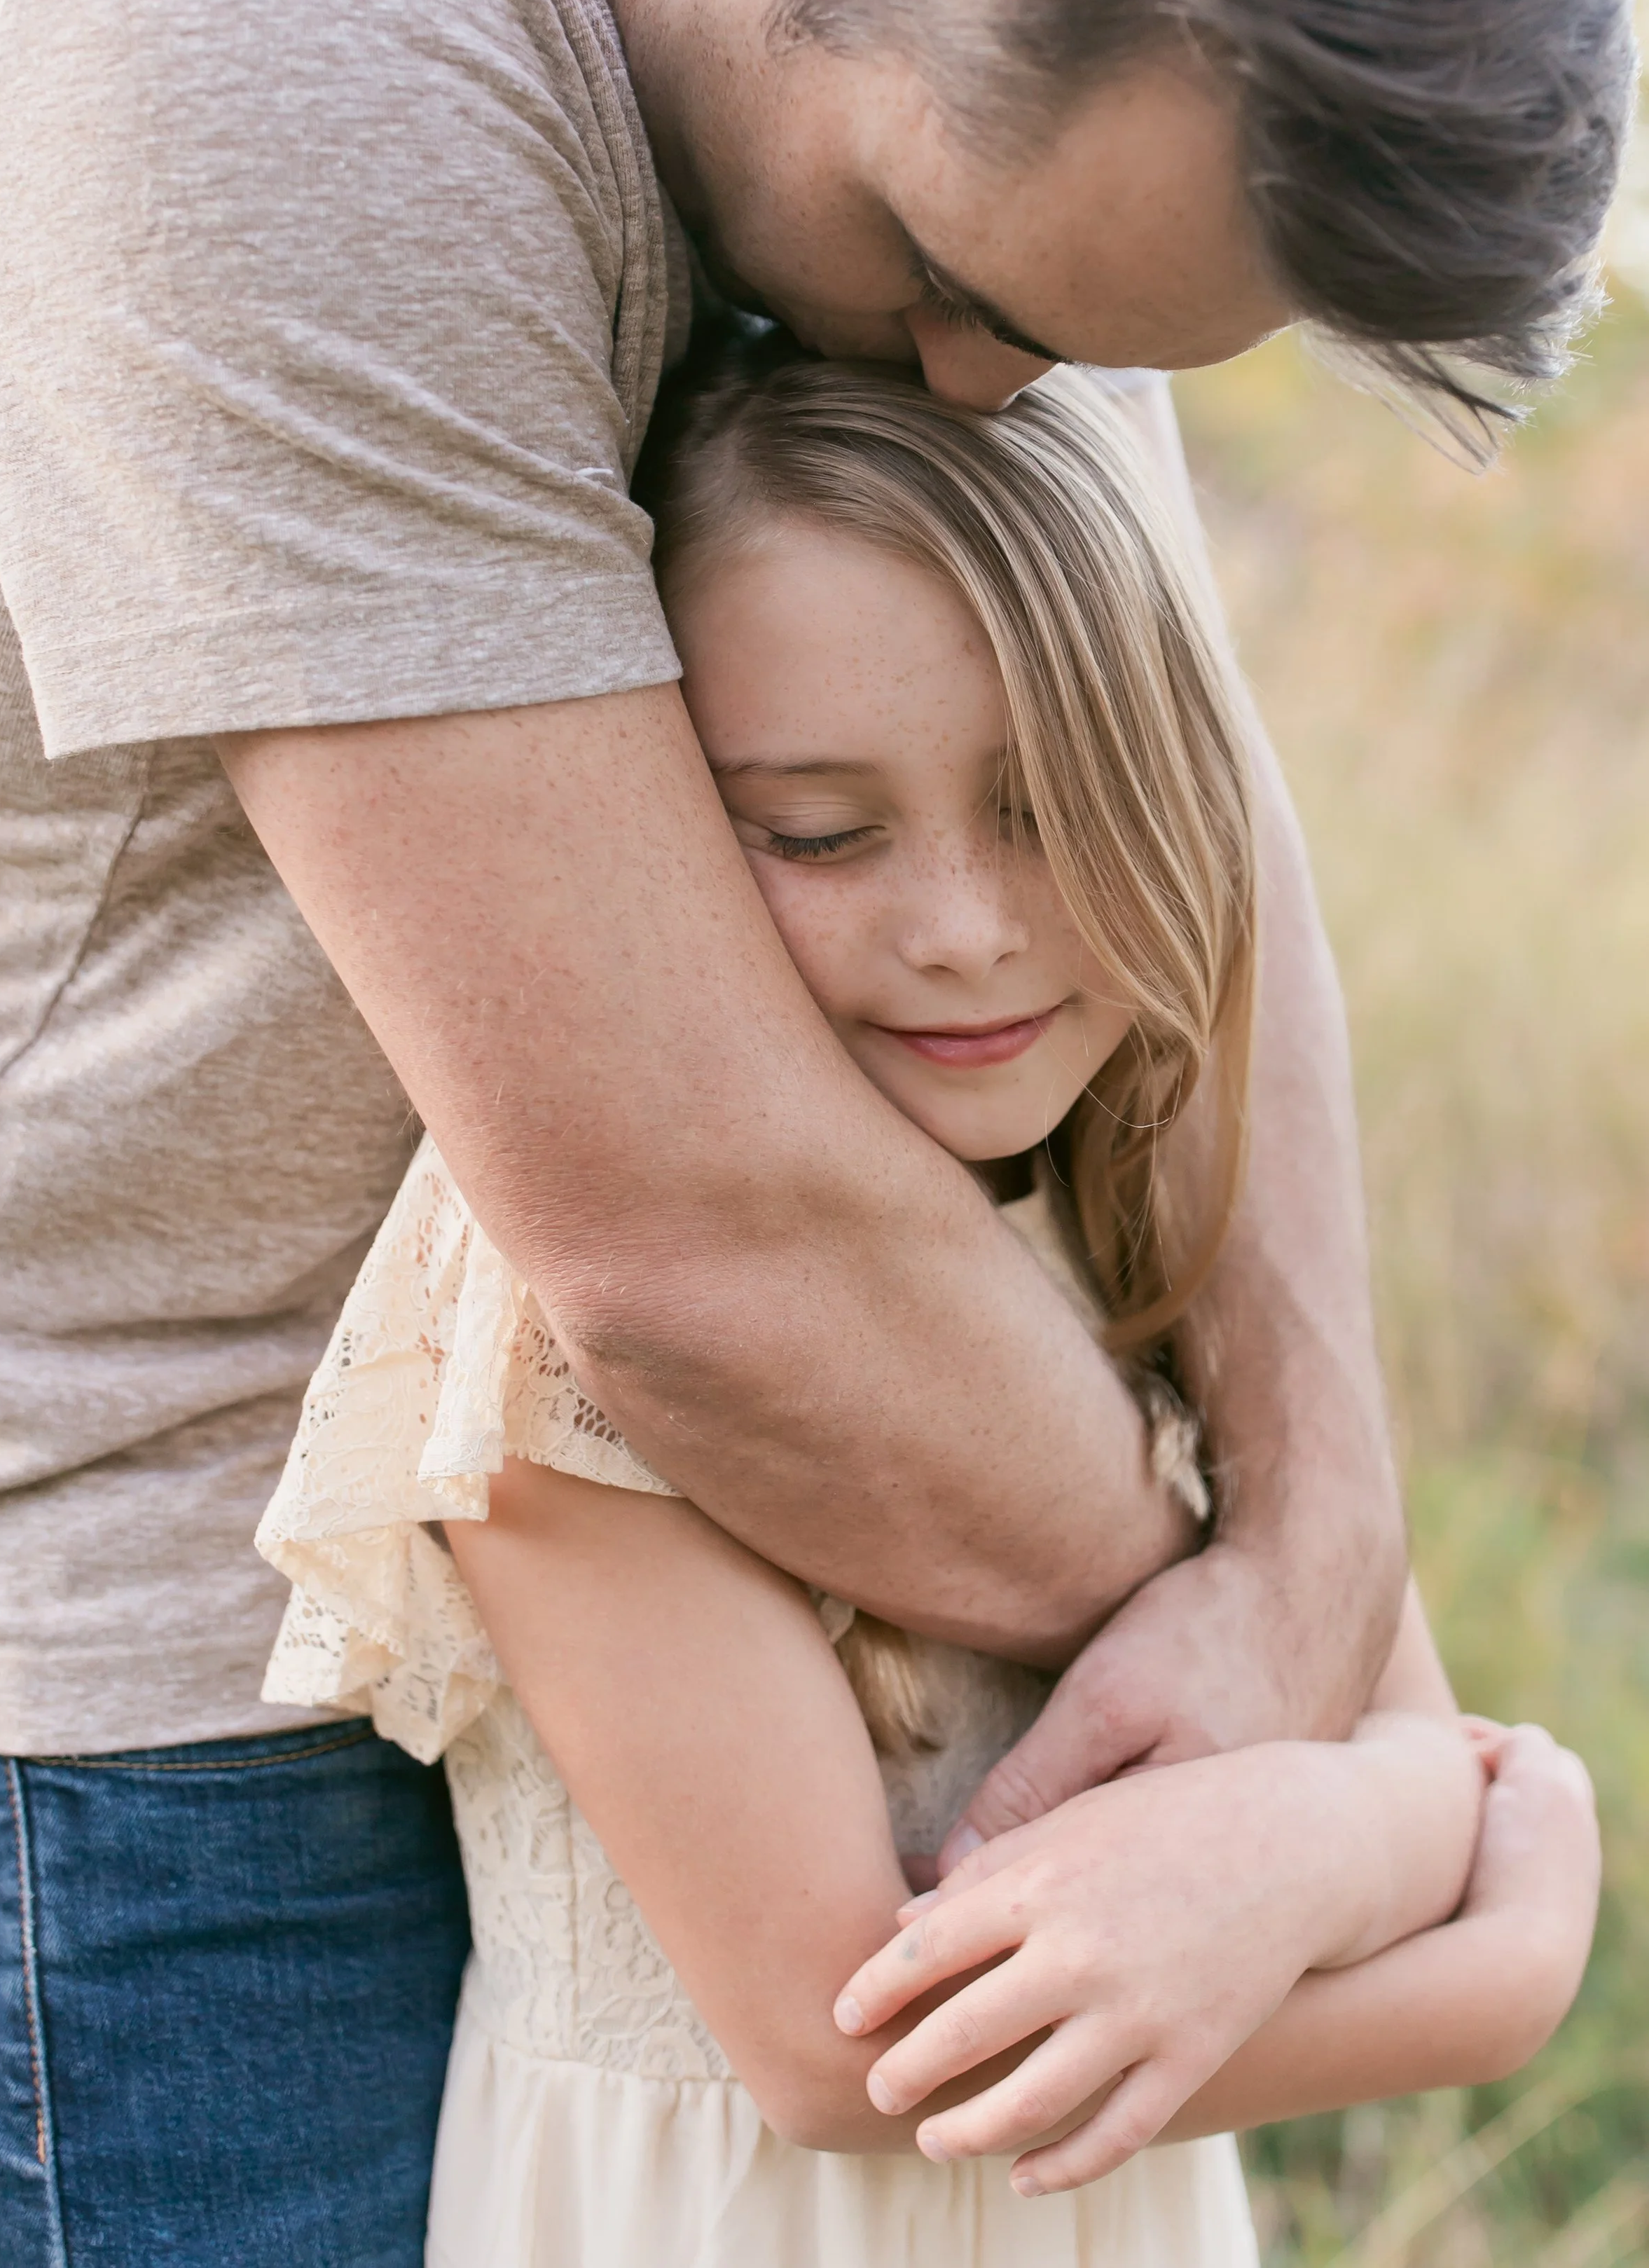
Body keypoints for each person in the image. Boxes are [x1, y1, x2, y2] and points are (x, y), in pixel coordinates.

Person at [0, 0, 1634, 2254]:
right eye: (947, 277)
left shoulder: (1013, 76)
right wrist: (1360, 1770)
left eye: (1073, 348)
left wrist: (1316, 1564)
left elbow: (1174, 775)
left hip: (875, 1483)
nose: (976, 389)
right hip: (191, 1718)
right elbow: (685, 1245)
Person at [257, 351, 1600, 2268]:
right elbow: (842, 2051)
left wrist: (1389, 1861)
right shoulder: (557, 1302)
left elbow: (1398, 1731)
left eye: (1050, 806)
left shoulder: (1131, 1192)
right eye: (816, 829)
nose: (963, 923)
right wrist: (1386, 1858)